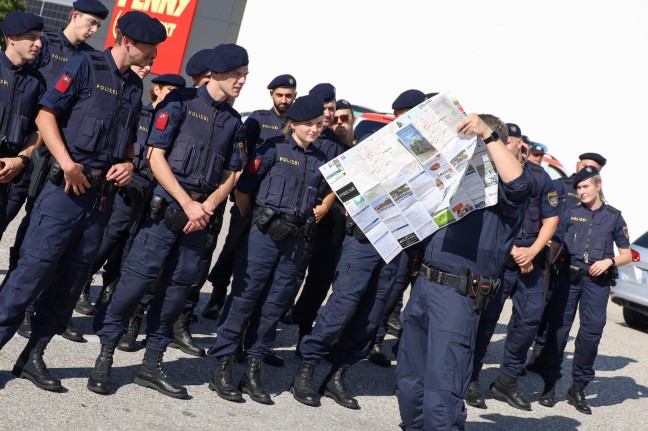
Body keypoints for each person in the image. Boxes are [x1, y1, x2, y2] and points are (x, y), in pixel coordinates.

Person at [0, 10, 165, 393]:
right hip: (63, 194)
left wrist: (126, 161)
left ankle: (33, 356)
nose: (153, 55)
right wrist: (67, 162)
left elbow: (125, 140)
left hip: (99, 202)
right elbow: (45, 116)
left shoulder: (134, 86)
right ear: (127, 42)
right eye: (149, 47)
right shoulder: (85, 65)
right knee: (30, 275)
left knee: (71, 282)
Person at [89, 43, 247, 398]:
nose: (242, 81)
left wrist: (204, 207)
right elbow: (155, 156)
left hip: (197, 220)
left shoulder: (234, 122)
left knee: (177, 291)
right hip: (164, 216)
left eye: (245, 76)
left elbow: (231, 174)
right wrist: (188, 203)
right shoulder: (180, 104)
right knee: (134, 284)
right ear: (217, 73)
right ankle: (106, 356)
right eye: (238, 75)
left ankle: (151, 365)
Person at [397, 113, 533, 431]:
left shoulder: (502, 186)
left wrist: (486, 133)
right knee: (409, 380)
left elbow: (521, 185)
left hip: (459, 294)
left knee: (442, 392)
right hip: (426, 286)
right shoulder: (452, 178)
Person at [208, 95, 332, 405]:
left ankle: (253, 369)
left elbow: (324, 196)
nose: (316, 129)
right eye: (310, 124)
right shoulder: (273, 149)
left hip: (296, 241)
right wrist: (257, 220)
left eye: (319, 124)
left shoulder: (321, 160)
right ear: (294, 124)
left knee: (274, 305)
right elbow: (244, 190)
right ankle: (223, 365)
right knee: (245, 298)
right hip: (263, 235)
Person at [0, 0, 110, 343]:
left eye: (98, 27)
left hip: (46, 161)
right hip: (28, 154)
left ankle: (18, 306)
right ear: (74, 16)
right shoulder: (43, 47)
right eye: (89, 23)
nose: (93, 31)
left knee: (34, 237)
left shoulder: (91, 60)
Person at [290, 130, 399, 410]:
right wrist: (352, 202)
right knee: (341, 307)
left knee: (371, 317)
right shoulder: (379, 143)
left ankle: (337, 376)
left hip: (397, 247)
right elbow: (341, 175)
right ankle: (307, 368)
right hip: (363, 240)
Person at [74, 73, 186, 318]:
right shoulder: (140, 114)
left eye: (178, 93)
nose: (173, 96)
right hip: (128, 184)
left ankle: (109, 290)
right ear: (156, 90)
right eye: (168, 90)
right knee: (111, 236)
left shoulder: (176, 122)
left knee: (130, 243)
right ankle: (81, 284)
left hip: (152, 189)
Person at [466, 122, 559, 410]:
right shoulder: (488, 171)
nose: (505, 147)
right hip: (500, 262)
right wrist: (512, 250)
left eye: (510, 142)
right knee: (485, 322)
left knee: (529, 321)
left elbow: (551, 219)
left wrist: (531, 251)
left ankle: (506, 381)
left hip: (530, 262)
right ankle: (470, 378)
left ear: (519, 145)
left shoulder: (541, 178)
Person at [202, 73, 298, 322]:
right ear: (272, 95)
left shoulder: (298, 124)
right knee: (233, 246)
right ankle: (217, 297)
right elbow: (241, 156)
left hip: (276, 204)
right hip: (249, 198)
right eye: (280, 95)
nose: (284, 100)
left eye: (289, 95)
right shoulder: (259, 119)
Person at [534, 166, 630, 414]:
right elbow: (555, 246)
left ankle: (578, 387)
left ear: (598, 186)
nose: (581, 191)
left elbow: (627, 255)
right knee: (558, 331)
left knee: (591, 334)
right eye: (578, 187)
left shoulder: (614, 216)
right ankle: (549, 384)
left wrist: (609, 261)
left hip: (596, 283)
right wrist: (544, 270)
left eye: (585, 186)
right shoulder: (571, 214)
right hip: (568, 277)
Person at [526, 152, 608, 370]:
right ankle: (521, 354)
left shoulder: (598, 197)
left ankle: (540, 357)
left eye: (595, 169)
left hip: (569, 261)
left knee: (557, 308)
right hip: (549, 253)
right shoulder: (559, 185)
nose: (588, 171)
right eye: (586, 165)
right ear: (577, 164)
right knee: (538, 303)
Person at [368, 89, 427, 368]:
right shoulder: (382, 143)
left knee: (402, 293)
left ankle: (386, 343)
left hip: (417, 232)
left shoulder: (428, 148)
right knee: (376, 288)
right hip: (383, 229)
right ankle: (364, 340)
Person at [288, 83, 347, 353]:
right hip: (297, 216)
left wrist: (325, 206)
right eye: (324, 109)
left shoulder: (337, 145)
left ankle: (303, 327)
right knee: (290, 271)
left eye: (331, 109)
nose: (328, 114)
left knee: (320, 276)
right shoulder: (299, 136)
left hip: (326, 218)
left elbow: (339, 181)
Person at [0, 12, 46, 229]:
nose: (38, 43)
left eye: (40, 37)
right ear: (12, 38)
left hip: (10, 172)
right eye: (31, 37)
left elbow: (39, 130)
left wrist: (20, 160)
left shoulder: (37, 82)